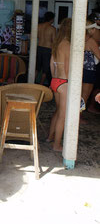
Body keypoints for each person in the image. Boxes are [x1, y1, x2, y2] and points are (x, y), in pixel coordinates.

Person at [47, 18, 72, 152]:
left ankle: (50, 137)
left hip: (55, 81)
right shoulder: (68, 45)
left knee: (57, 112)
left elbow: (52, 64)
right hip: (64, 82)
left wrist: (54, 80)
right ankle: (56, 145)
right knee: (63, 115)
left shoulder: (57, 44)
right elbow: (68, 68)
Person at [81, 19, 100, 110]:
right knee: (84, 97)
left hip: (80, 69)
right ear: (91, 29)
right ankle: (78, 118)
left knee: (78, 95)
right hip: (88, 71)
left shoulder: (81, 38)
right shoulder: (91, 41)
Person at [36, 11, 56, 85]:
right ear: (51, 19)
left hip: (39, 47)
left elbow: (37, 36)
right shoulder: (52, 29)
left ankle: (32, 83)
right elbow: (54, 41)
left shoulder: (39, 26)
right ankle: (41, 85)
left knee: (37, 68)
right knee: (45, 70)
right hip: (47, 49)